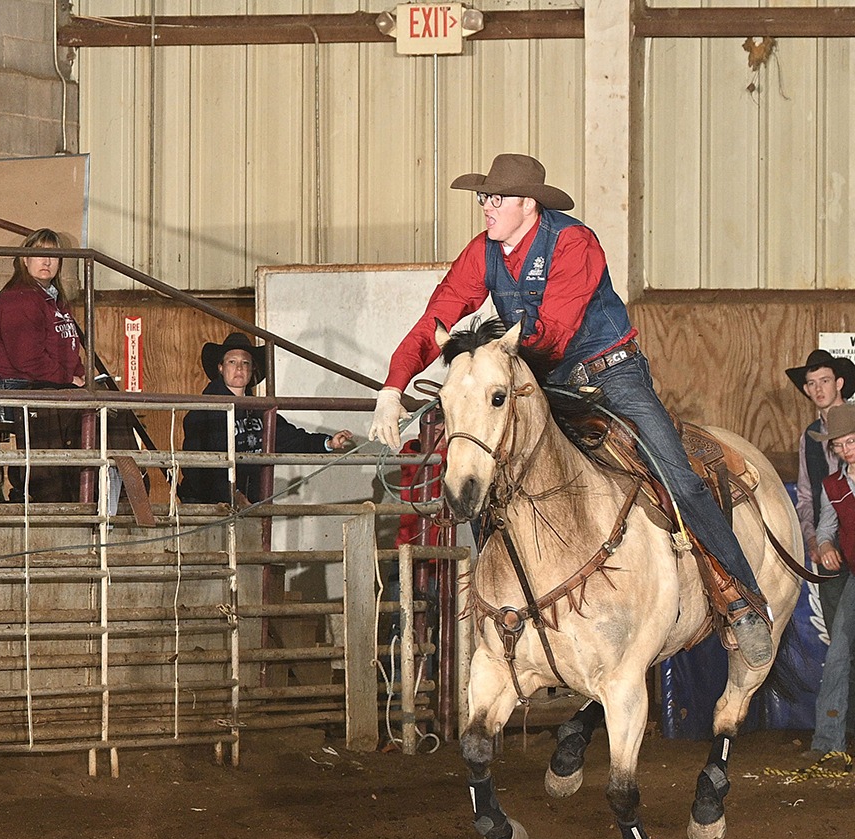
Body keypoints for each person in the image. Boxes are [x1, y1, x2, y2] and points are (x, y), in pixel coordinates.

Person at [369, 152, 776, 664]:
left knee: (678, 476)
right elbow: (439, 315)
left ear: (527, 204)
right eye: (484, 198)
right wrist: (393, 385)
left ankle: (742, 601)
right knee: (491, 472)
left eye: (496, 199)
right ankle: (508, 603)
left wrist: (494, 351)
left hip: (611, 373)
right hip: (543, 379)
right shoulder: (484, 252)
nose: (486, 208)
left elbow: (555, 334)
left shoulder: (574, 242)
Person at [180, 331, 351, 505]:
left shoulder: (260, 410)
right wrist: (231, 494)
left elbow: (290, 438)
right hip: (207, 506)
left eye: (245, 362)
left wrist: (328, 443)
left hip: (248, 503)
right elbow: (196, 467)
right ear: (221, 368)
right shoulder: (201, 412)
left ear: (252, 369)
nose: (239, 368)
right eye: (232, 362)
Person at [0, 227, 86, 503]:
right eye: (39, 254)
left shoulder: (56, 301)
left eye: (53, 256)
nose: (47, 261)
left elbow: (70, 352)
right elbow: (27, 358)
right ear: (25, 260)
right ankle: (42, 492)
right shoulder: (20, 297)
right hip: (8, 384)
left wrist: (78, 376)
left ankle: (88, 491)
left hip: (44, 381)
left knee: (100, 410)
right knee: (53, 412)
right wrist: (67, 379)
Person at [794, 350, 855, 627]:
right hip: (829, 546)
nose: (819, 389)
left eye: (825, 381)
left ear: (839, 383)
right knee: (838, 635)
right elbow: (805, 497)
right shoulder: (808, 437)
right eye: (812, 383)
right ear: (806, 389)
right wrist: (814, 542)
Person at [811, 404, 855, 759]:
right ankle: (827, 743)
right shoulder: (833, 486)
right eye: (839, 445)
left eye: (851, 441)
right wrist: (824, 545)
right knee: (839, 652)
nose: (846, 450)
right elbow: (826, 527)